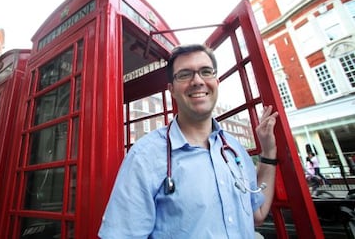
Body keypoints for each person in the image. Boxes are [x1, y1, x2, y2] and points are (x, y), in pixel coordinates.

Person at [98, 44, 278, 238]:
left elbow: (257, 214)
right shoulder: (144, 156)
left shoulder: (235, 150)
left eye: (206, 71)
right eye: (184, 74)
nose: (197, 81)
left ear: (216, 81)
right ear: (172, 90)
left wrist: (269, 152)